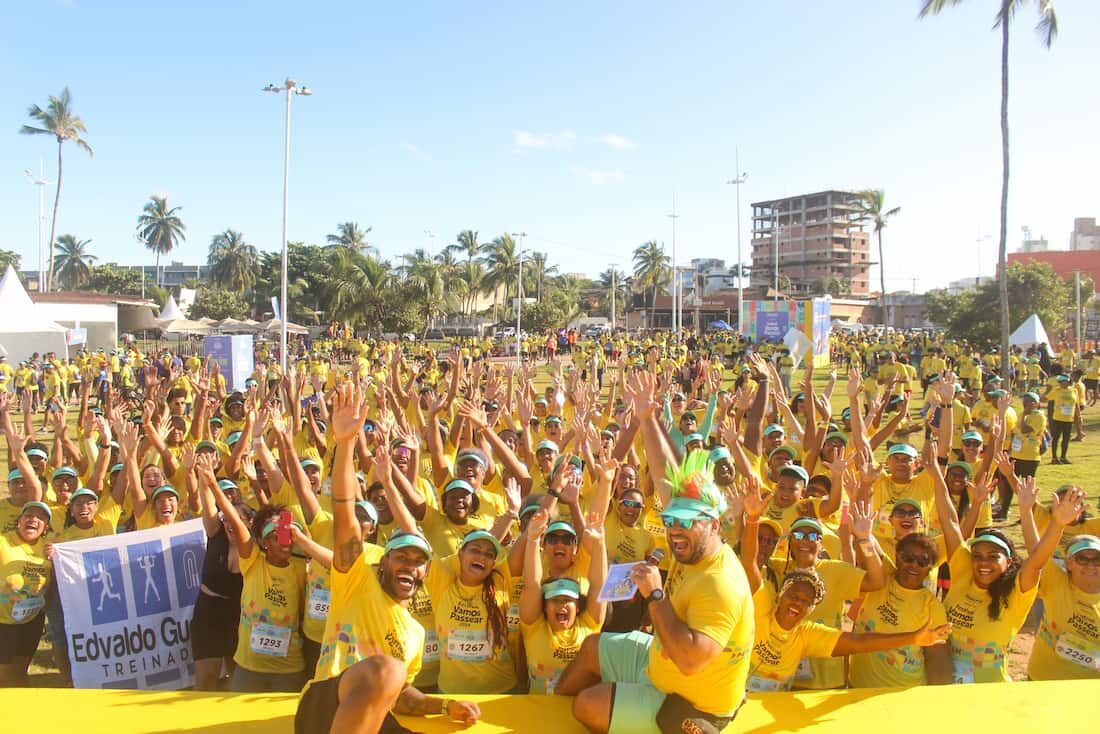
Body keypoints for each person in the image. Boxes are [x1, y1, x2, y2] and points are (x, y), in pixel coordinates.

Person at [295, 382, 480, 733]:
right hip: (323, 706)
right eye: (402, 557)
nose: (409, 565)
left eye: (417, 561)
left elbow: (402, 697)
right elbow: (345, 508)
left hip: (375, 720)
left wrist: (446, 705)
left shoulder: (413, 633)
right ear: (384, 562)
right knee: (389, 669)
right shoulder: (359, 573)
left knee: (396, 677)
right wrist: (346, 443)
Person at [557, 451, 754, 734]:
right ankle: (543, 713)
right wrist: (646, 417)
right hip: (659, 661)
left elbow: (689, 661)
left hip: (693, 701)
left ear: (714, 525)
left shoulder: (721, 582)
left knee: (587, 705)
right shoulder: (692, 548)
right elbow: (664, 476)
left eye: (686, 522)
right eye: (671, 520)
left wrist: (655, 596)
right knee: (590, 648)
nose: (674, 529)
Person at [931, 459, 1084, 683]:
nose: (984, 563)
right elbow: (950, 523)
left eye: (994, 557)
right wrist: (937, 476)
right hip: (942, 685)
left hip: (990, 692)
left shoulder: (1015, 592)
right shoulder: (964, 571)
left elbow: (1037, 561)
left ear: (1009, 562)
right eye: (978, 556)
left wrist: (1057, 525)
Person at [519, 509, 608, 694]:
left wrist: (599, 544)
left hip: (578, 715)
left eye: (568, 600)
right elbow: (532, 585)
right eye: (555, 600)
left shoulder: (589, 626)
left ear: (578, 606)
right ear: (544, 606)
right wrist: (533, 539)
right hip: (538, 713)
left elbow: (599, 585)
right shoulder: (534, 628)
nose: (561, 605)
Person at [0, 502, 53, 687]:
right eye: (28, 515)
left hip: (32, 620)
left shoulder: (48, 549)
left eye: (40, 518)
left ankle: (21, 711)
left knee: (20, 671)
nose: (33, 519)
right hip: (3, 621)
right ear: (19, 521)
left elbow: (52, 583)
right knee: (4, 675)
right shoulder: (3, 541)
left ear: (46, 526)